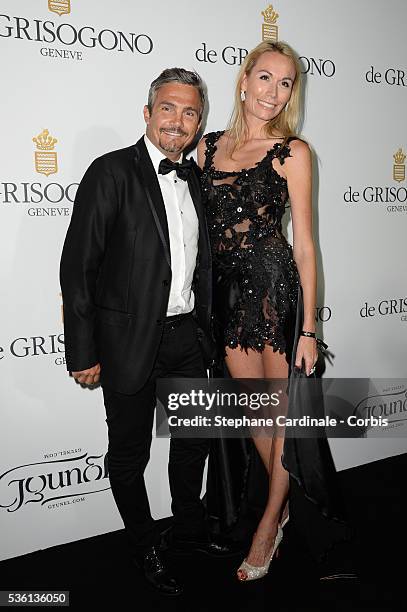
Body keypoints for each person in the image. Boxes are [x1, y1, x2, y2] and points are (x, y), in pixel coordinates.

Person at [60, 67, 233, 597]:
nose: (178, 121)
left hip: (187, 339)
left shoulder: (198, 180)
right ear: (147, 113)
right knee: (129, 452)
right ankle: (142, 543)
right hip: (127, 343)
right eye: (168, 108)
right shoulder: (110, 172)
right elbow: (78, 266)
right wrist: (82, 350)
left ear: (200, 121)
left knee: (193, 443)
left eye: (190, 112)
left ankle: (188, 530)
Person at [198, 41, 318, 581]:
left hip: (275, 296)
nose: (273, 91)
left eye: (286, 82)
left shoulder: (294, 152)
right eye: (265, 78)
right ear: (244, 81)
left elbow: (306, 246)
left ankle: (268, 523)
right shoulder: (206, 150)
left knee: (284, 420)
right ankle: (284, 499)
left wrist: (310, 328)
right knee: (257, 418)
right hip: (226, 300)